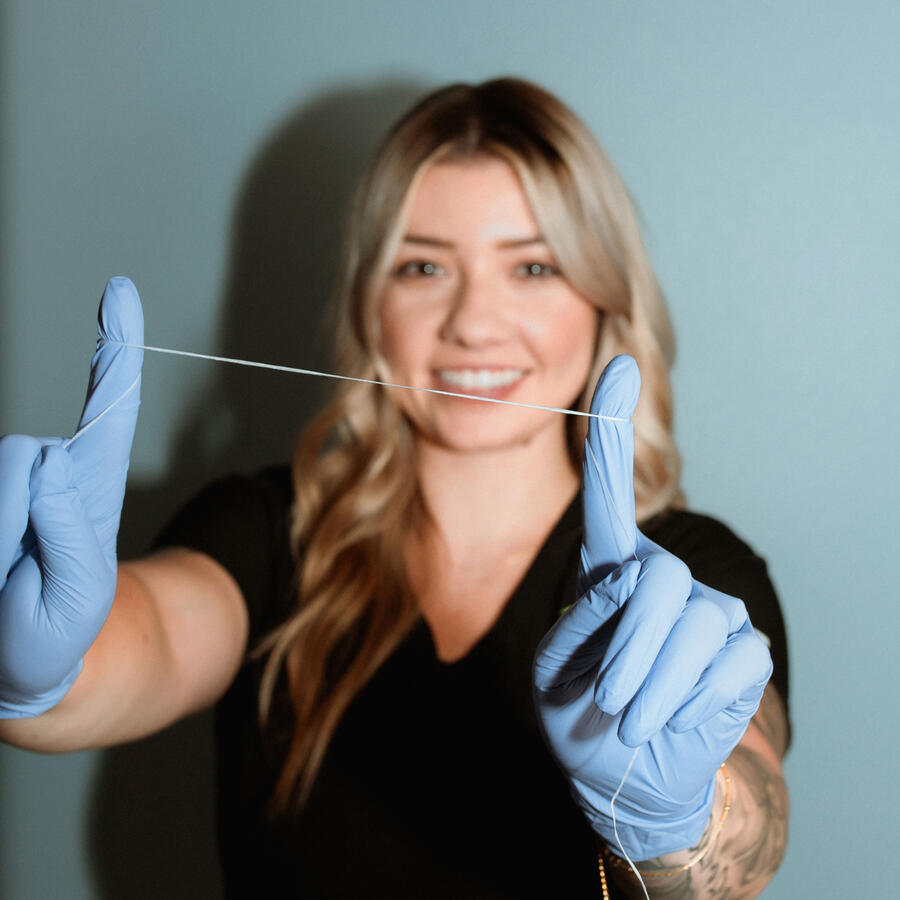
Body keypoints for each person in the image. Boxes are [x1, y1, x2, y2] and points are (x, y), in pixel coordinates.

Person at [0, 77, 790, 898]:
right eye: (422, 266)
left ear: (603, 305)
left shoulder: (688, 575)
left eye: (533, 266)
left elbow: (753, 833)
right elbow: (144, 643)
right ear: (368, 306)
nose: (472, 323)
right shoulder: (268, 532)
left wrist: (678, 823)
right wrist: (32, 673)